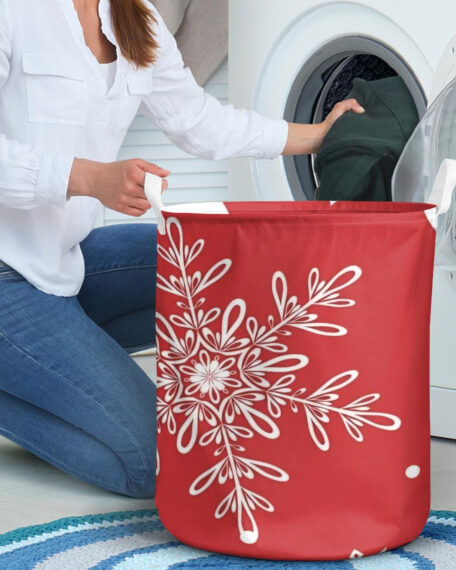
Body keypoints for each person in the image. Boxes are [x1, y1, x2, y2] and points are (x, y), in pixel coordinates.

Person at [0, 0, 364, 498]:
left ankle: (53, 370)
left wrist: (317, 137)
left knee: (222, 264)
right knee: (160, 462)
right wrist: (89, 178)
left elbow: (200, 121)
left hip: (64, 262)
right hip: (5, 275)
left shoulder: (135, 17)